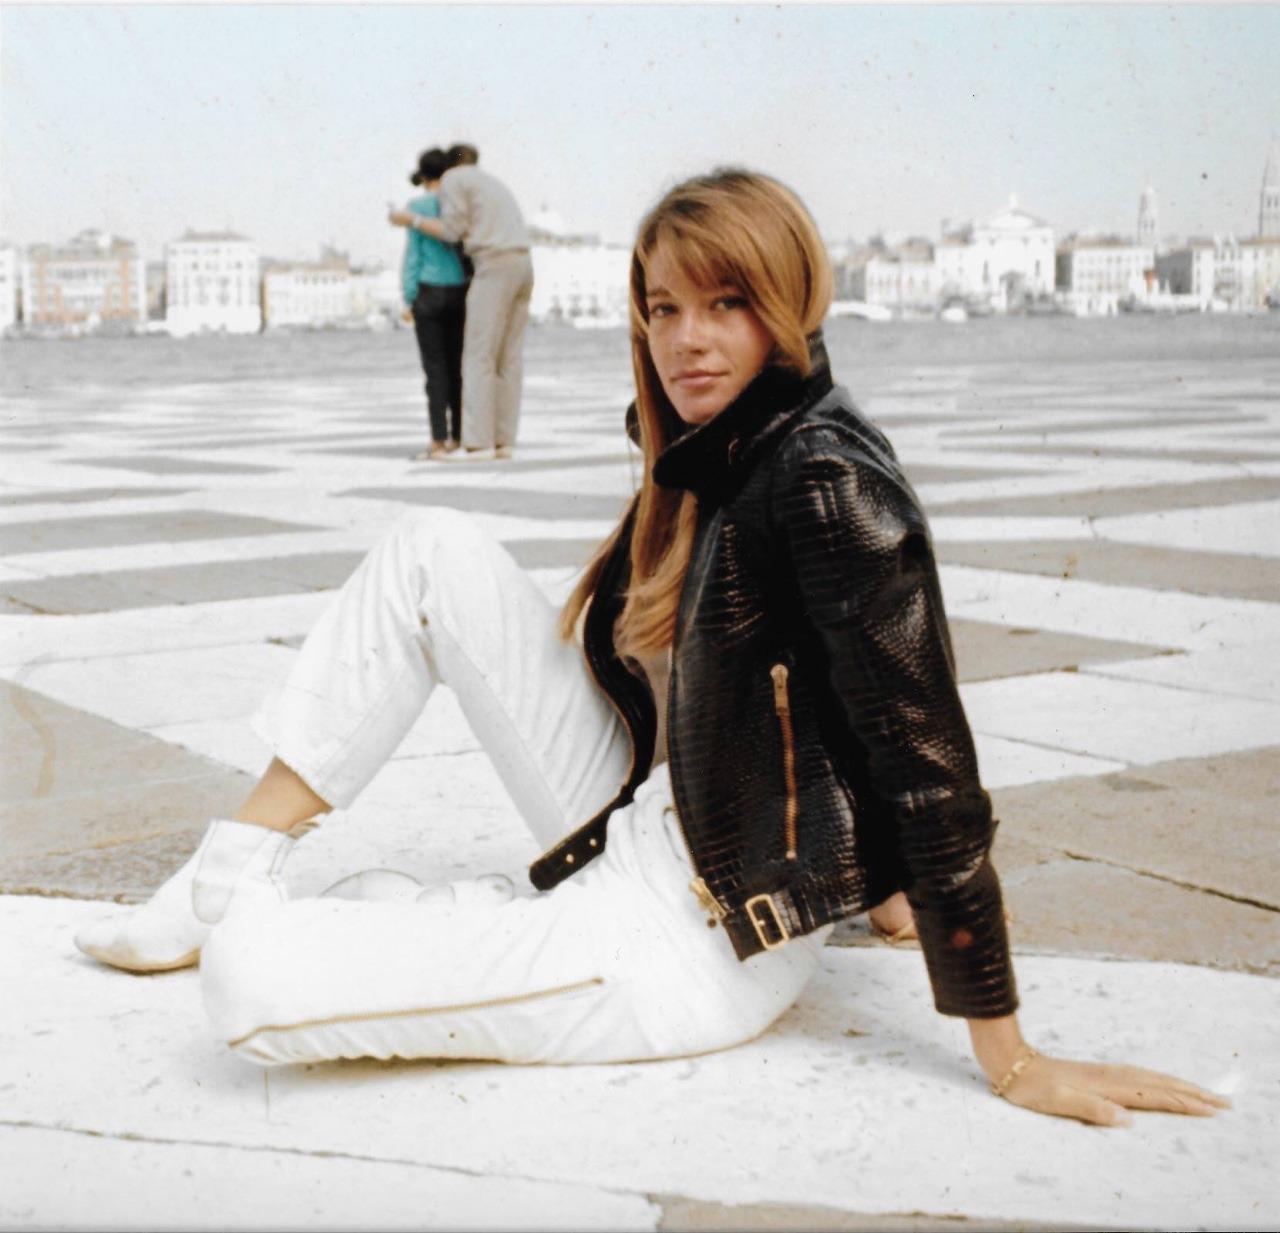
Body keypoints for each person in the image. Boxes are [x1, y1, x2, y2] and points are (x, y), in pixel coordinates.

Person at [76, 169, 1228, 1127]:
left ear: (788, 303)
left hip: (693, 942)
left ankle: (400, 927)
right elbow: (811, 707)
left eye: (725, 304)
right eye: (664, 307)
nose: (686, 340)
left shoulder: (824, 480)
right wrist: (873, 893)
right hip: (649, 820)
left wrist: (1008, 1053)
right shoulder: (712, 447)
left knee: (247, 981)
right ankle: (227, 875)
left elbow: (924, 760)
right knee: (431, 547)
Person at [390, 144, 532, 462]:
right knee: (508, 359)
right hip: (523, 264)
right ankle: (504, 441)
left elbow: (452, 231)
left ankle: (479, 443)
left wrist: (410, 220)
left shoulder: (455, 179)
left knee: (478, 356)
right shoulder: (492, 182)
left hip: (493, 265)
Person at [397, 147, 469, 461]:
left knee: (434, 370)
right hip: (459, 292)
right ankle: (460, 436)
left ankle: (438, 440)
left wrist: (408, 297)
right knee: (458, 368)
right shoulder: (456, 204)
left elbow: (413, 257)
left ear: (423, 174)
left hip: (428, 292)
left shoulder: (416, 206)